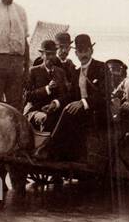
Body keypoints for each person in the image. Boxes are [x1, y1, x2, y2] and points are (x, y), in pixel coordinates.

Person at [41, 33, 109, 164]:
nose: (82, 55)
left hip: (97, 112)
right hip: (82, 111)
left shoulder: (101, 68)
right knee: (54, 112)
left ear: (91, 51)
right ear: (76, 53)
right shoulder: (76, 72)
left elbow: (103, 95)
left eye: (85, 51)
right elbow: (71, 95)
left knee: (68, 112)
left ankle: (49, 148)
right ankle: (57, 155)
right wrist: (55, 103)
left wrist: (83, 103)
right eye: (79, 51)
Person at [24, 39, 69, 131]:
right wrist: (46, 89)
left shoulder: (60, 72)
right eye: (48, 54)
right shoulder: (33, 71)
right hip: (35, 110)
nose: (51, 57)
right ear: (42, 55)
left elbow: (64, 95)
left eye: (53, 54)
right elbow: (27, 96)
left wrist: (55, 103)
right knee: (46, 119)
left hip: (54, 109)